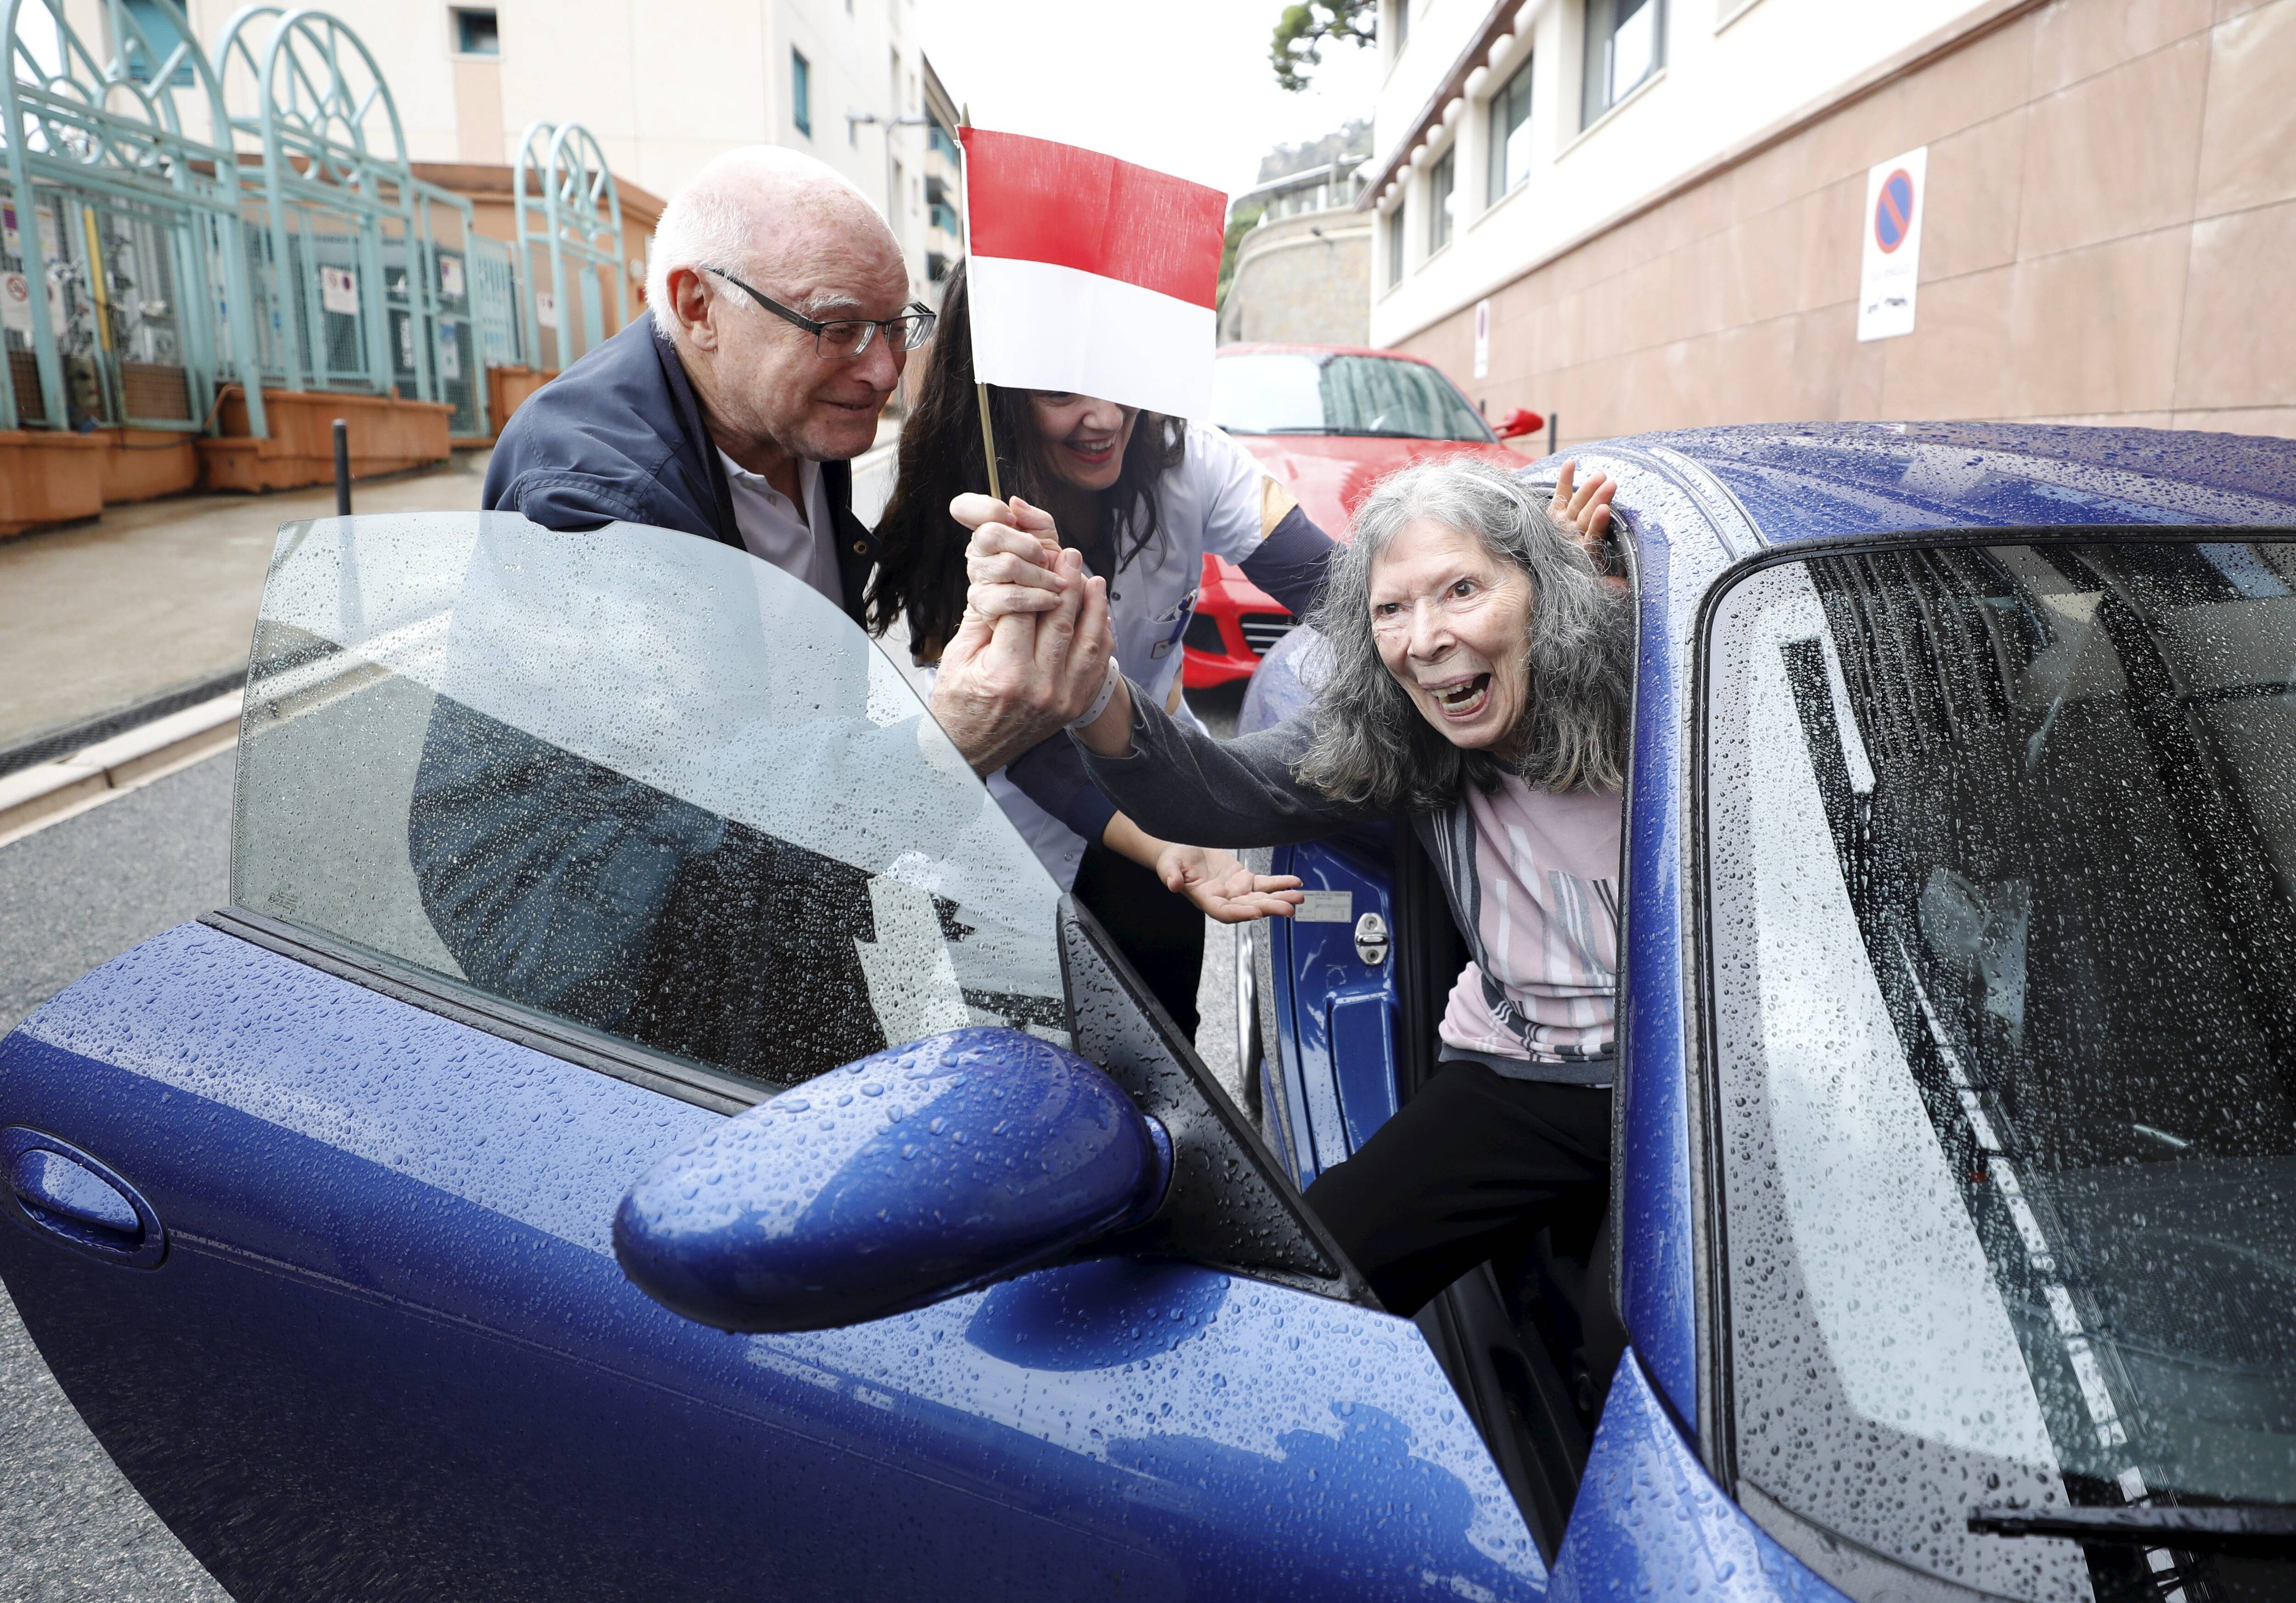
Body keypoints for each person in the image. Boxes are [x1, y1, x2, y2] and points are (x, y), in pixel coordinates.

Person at [944, 456, 1625, 1315]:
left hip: (1695, 1075)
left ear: (1545, 591)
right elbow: (1213, 790)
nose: (1423, 639)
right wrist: (1089, 689)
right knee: (1294, 1281)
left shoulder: (1662, 681)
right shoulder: (1407, 733)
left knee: (1630, 1341)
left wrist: (1577, 612)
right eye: (1391, 609)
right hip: (1522, 1072)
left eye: (1463, 590)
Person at [868, 260, 1326, 1032]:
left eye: (1119, 380)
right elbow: (1027, 740)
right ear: (999, 396)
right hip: (1010, 845)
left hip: (1158, 794)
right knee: (1025, 1068)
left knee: (1165, 1047)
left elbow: (1331, 584)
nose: (1105, 416)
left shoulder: (1191, 461)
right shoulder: (945, 507)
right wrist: (1169, 847)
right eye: (1059, 393)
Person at [482, 145, 931, 622]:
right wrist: (962, 700)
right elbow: (639, 696)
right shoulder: (589, 500)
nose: (884, 372)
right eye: (838, 329)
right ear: (698, 306)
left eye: (897, 327)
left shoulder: (792, 411)